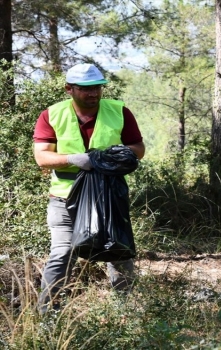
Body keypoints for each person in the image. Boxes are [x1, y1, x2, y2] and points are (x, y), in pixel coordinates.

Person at [33, 63, 145, 313]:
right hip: (64, 199)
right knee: (62, 255)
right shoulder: (51, 114)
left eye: (97, 87)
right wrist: (73, 159)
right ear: (69, 89)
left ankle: (123, 314)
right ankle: (47, 316)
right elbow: (42, 157)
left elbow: (138, 148)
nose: (93, 93)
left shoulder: (119, 111)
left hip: (108, 197)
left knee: (119, 251)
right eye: (85, 89)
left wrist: (115, 155)